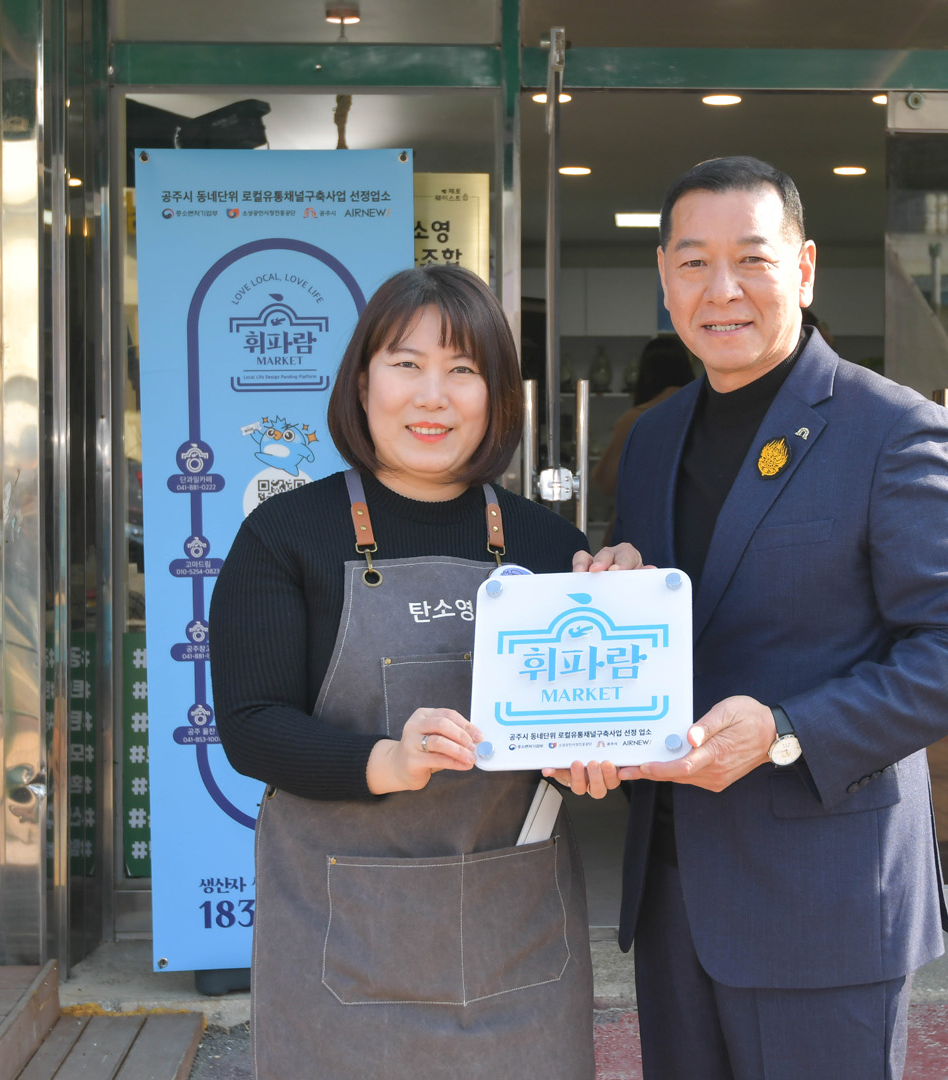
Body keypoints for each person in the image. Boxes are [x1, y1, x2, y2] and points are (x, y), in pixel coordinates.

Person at [609, 157, 948, 1079]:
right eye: (693, 262)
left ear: (805, 269)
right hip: (673, 890)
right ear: (665, 278)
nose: (722, 290)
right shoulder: (653, 439)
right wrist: (615, 592)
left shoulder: (894, 430)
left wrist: (785, 731)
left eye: (752, 259)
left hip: (826, 899)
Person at [210, 264, 638, 1080]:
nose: (432, 397)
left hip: (517, 940)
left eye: (463, 369)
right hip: (340, 946)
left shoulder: (552, 548)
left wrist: (605, 730)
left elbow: (592, 726)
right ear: (362, 382)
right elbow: (252, 725)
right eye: (406, 364)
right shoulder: (286, 535)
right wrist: (389, 760)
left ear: (498, 396)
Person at [591, 334, 697, 500]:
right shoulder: (703, 411)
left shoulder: (635, 419)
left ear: (645, 374)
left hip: (644, 510)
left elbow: (605, 481)